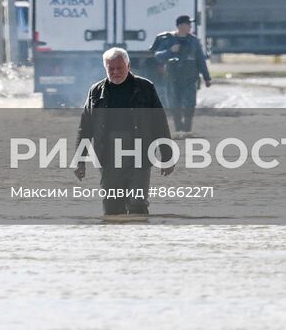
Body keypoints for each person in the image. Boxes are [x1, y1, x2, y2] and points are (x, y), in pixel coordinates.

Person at [75, 47, 172, 215]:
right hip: (107, 156)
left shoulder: (145, 88)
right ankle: (114, 240)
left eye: (119, 68)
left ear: (128, 66)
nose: (115, 72)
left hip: (140, 153)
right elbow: (85, 128)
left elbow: (159, 122)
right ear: (105, 68)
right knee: (112, 208)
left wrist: (167, 155)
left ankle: (139, 239)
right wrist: (79, 161)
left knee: (138, 203)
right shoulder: (96, 92)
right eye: (110, 68)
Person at [162, 15, 211, 133]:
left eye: (190, 24)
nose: (190, 26)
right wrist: (170, 51)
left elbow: (200, 60)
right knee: (175, 102)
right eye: (188, 24)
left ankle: (187, 128)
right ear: (180, 26)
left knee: (190, 102)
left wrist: (206, 77)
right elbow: (158, 56)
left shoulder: (194, 41)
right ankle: (178, 127)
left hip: (190, 77)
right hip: (173, 76)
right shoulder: (169, 40)